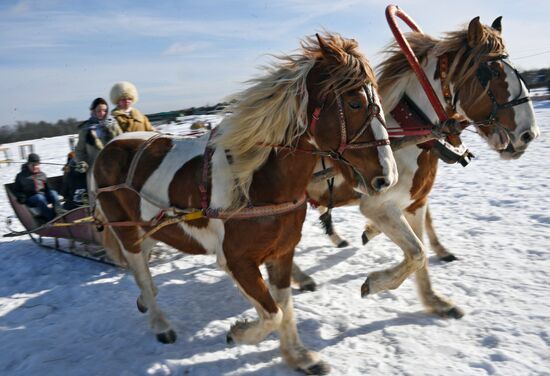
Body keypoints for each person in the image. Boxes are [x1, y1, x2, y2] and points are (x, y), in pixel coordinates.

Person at [74, 97, 123, 173]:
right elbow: (79, 151)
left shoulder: (113, 125)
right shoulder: (85, 129)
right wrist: (82, 162)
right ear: (93, 111)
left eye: (104, 111)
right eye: (99, 111)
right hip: (94, 170)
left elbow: (122, 142)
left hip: (115, 167)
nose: (102, 113)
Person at [13, 153, 61, 221]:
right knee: (39, 198)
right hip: (31, 198)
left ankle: (59, 213)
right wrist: (21, 196)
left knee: (53, 193)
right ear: (28, 164)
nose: (35, 167)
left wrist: (51, 193)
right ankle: (51, 218)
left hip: (43, 197)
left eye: (37, 165)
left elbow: (48, 188)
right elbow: (16, 190)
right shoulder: (21, 176)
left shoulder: (42, 174)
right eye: (33, 165)